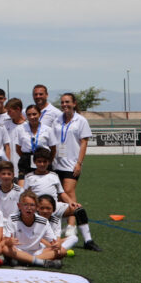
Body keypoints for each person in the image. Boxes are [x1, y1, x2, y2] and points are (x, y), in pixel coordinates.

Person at [54, 92, 92, 234]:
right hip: (56, 163)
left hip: (72, 163)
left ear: (74, 103)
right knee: (59, 194)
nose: (65, 105)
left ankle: (72, 225)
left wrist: (79, 163)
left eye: (67, 102)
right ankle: (63, 220)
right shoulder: (57, 119)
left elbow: (84, 143)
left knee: (69, 191)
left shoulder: (81, 121)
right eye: (63, 102)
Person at [0, 190, 63, 269]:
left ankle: (24, 261)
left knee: (62, 250)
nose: (29, 208)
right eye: (25, 205)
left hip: (37, 252)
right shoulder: (12, 218)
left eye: (32, 205)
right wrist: (9, 242)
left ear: (37, 207)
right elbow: (6, 241)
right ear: (19, 206)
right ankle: (39, 262)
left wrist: (57, 245)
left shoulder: (43, 222)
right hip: (18, 251)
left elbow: (54, 242)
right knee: (5, 249)